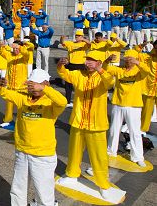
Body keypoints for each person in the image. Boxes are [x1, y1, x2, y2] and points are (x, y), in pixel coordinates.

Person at [57, 51, 124, 203]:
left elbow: (110, 83)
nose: (88, 62)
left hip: (96, 124)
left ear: (99, 62)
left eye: (92, 60)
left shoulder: (103, 76)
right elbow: (64, 74)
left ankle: (103, 185)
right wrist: (61, 64)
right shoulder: (79, 75)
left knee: (99, 156)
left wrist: (100, 69)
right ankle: (72, 175)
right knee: (74, 151)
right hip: (78, 121)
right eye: (87, 59)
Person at [0, 69, 66, 206]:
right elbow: (3, 93)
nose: (33, 89)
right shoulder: (23, 98)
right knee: (18, 188)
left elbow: (62, 102)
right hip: (22, 151)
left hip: (42, 155)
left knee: (43, 193)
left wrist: (44, 88)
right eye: (31, 85)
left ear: (46, 84)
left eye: (37, 85)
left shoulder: (51, 103)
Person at [105, 50, 148, 167]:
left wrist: (138, 63)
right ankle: (111, 151)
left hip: (133, 106)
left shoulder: (139, 71)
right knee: (114, 130)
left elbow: (148, 71)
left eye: (131, 59)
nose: (128, 61)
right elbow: (104, 69)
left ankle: (138, 157)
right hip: (118, 103)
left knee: (135, 132)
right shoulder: (119, 70)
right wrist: (107, 60)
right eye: (127, 59)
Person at [0, 41, 31, 127]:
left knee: (22, 107)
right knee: (9, 105)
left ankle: (23, 122)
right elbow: (0, 51)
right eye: (14, 48)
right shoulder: (9, 55)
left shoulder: (24, 57)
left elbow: (26, 53)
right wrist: (0, 45)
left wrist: (19, 47)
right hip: (10, 86)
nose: (15, 50)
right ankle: (7, 120)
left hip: (21, 87)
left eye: (17, 48)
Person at [60, 31, 90, 107]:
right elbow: (63, 43)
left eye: (79, 36)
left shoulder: (84, 44)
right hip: (70, 65)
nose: (77, 37)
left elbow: (90, 45)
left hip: (80, 65)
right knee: (68, 83)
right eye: (76, 36)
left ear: (82, 36)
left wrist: (83, 39)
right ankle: (68, 101)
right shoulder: (71, 43)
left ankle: (83, 99)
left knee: (81, 83)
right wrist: (62, 38)